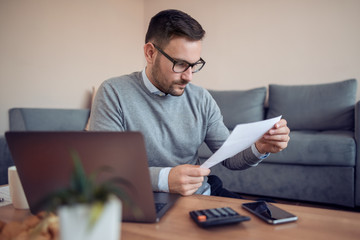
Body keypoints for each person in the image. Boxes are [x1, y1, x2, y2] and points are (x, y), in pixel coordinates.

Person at [89, 9, 290, 198]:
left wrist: (260, 147)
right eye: (180, 64)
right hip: (143, 201)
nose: (189, 77)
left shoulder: (201, 99)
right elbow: (104, 170)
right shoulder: (113, 92)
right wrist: (165, 180)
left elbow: (229, 157)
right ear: (150, 53)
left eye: (194, 65)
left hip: (201, 195)